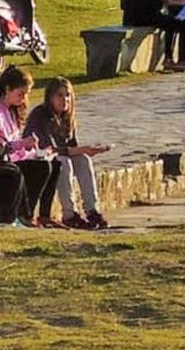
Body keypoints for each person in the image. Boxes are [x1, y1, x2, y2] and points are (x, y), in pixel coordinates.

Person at [26, 77, 109, 230]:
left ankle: (92, 210)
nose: (64, 99)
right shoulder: (40, 116)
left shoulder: (66, 117)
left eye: (67, 95)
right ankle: (69, 214)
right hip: (38, 160)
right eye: (59, 95)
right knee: (63, 162)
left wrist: (89, 150)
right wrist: (79, 150)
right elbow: (48, 149)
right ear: (50, 97)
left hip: (59, 156)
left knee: (83, 159)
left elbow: (72, 147)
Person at [0, 66, 55, 228]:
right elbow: (5, 146)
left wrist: (33, 151)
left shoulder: (11, 112)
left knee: (53, 165)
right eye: (20, 93)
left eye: (26, 94)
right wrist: (22, 144)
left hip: (11, 158)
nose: (23, 98)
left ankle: (41, 214)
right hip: (5, 159)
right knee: (16, 173)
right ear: (8, 89)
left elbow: (15, 144)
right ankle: (18, 215)